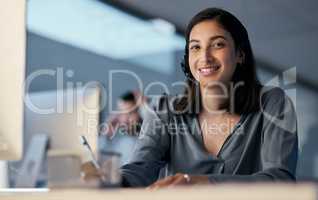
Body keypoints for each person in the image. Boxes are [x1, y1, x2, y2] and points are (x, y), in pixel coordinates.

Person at [119, 7, 298, 188]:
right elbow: (138, 170)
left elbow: (279, 179)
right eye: (195, 47)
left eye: (218, 44)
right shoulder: (165, 110)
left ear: (240, 55)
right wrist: (107, 179)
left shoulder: (272, 103)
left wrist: (201, 183)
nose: (205, 57)